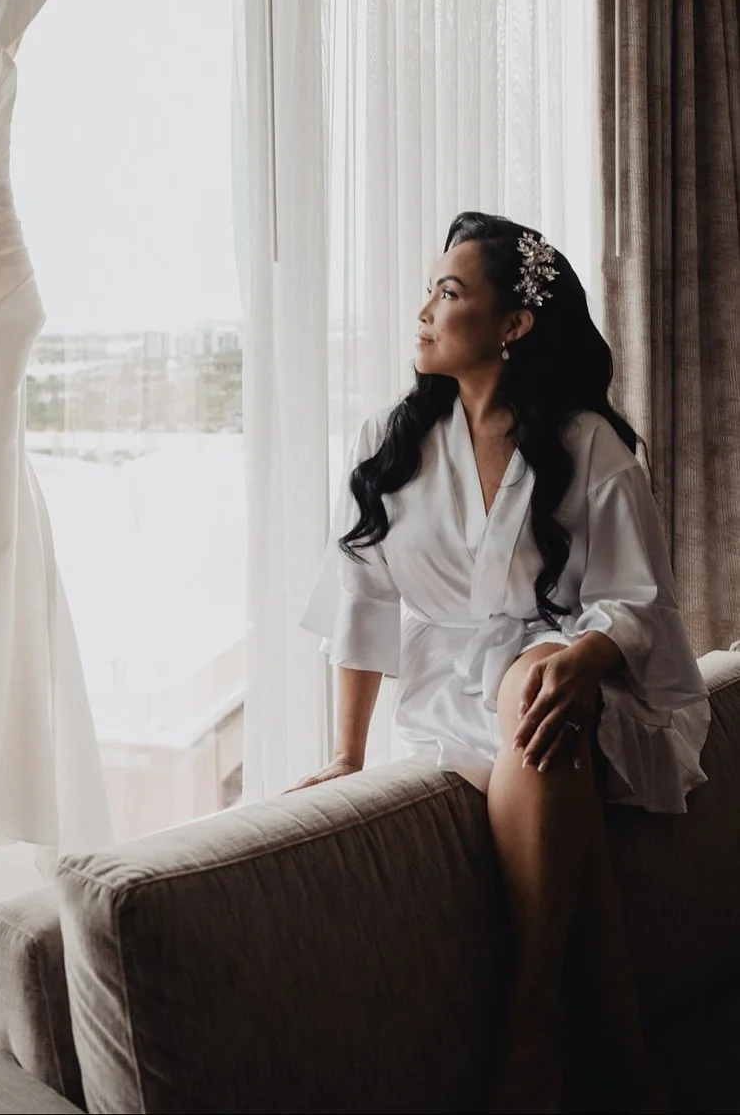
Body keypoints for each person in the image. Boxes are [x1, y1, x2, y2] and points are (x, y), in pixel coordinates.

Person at [295, 211, 710, 1114]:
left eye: (449, 292)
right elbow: (359, 600)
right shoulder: (384, 443)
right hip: (451, 692)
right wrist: (345, 756)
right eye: (430, 289)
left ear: (512, 324)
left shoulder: (584, 444)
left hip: (579, 687)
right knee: (543, 749)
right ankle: (612, 1046)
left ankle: (529, 1015)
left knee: (534, 680)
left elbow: (637, 600)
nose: (423, 309)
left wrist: (584, 654)